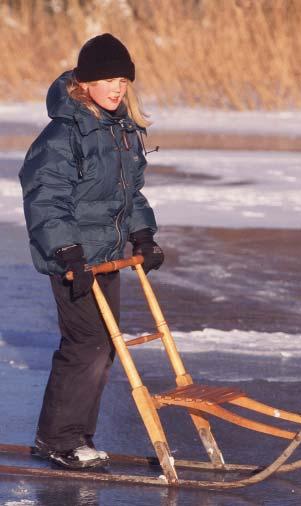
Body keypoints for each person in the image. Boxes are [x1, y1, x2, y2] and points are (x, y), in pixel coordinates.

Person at [19, 33, 164, 469]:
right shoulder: (65, 133)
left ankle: (77, 435)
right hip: (74, 259)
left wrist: (143, 236)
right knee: (87, 343)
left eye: (122, 79)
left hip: (107, 256)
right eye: (106, 80)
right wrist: (68, 253)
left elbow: (128, 194)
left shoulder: (120, 128)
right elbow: (46, 198)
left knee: (106, 344)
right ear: (84, 83)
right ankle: (58, 440)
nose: (116, 88)